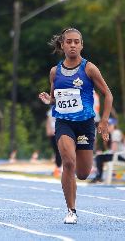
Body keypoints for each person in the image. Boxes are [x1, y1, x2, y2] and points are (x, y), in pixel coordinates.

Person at [38, 27, 113, 224]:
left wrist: (104, 121)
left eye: (76, 42)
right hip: (63, 122)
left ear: (81, 45)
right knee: (68, 162)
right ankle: (71, 210)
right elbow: (56, 98)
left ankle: (74, 196)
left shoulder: (89, 68)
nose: (72, 45)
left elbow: (108, 94)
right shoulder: (55, 72)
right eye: (69, 41)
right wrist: (49, 101)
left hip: (85, 124)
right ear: (62, 45)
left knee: (82, 173)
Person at [90, 118, 125, 183]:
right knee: (99, 157)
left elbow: (113, 150)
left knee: (99, 157)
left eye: (109, 125)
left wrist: (102, 153)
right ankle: (99, 177)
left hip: (121, 156)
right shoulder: (112, 134)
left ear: (114, 126)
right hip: (118, 155)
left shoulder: (116, 133)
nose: (107, 127)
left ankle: (99, 177)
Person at [46, 107, 62, 177]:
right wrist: (48, 130)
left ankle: (61, 168)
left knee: (61, 151)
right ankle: (58, 168)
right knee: (56, 151)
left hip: (61, 131)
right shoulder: (51, 109)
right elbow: (49, 120)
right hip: (53, 133)